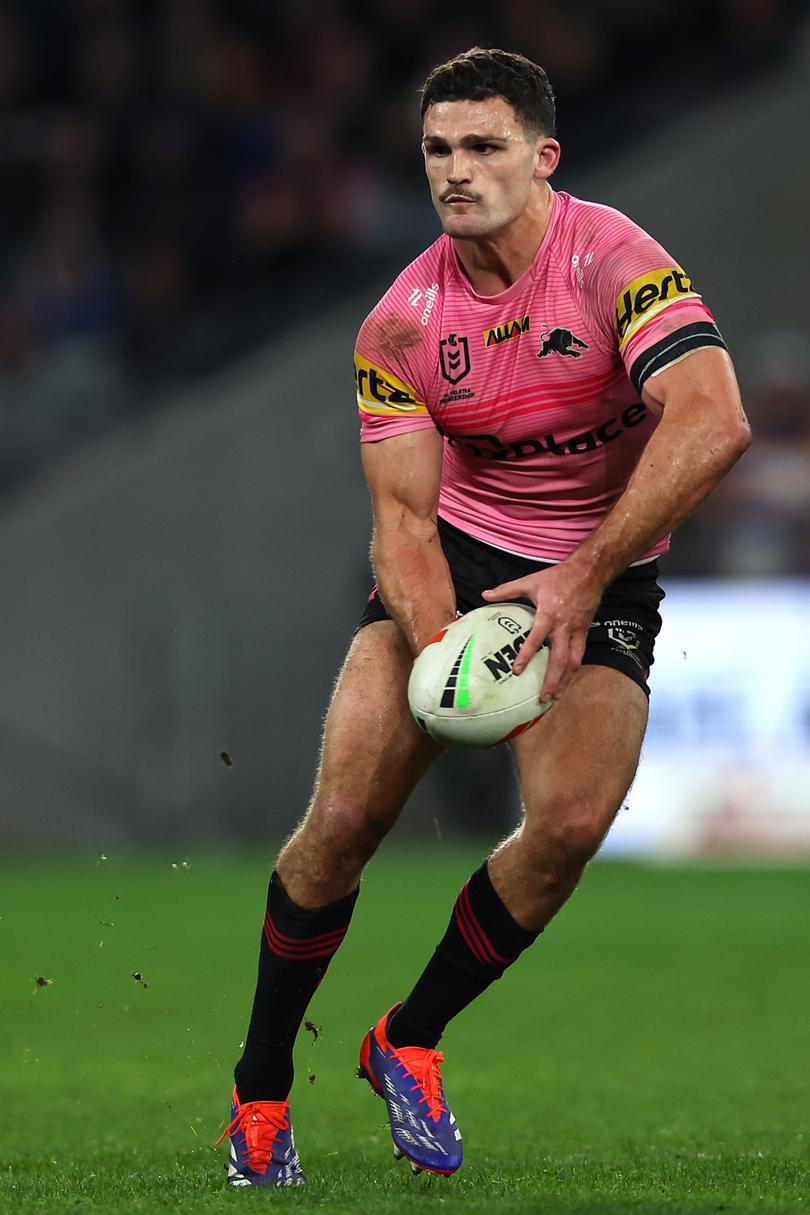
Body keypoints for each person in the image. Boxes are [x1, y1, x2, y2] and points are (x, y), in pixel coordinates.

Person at [216, 47, 751, 1186]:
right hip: (459, 562)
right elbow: (402, 528)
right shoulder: (401, 326)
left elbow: (711, 422)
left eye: (485, 147)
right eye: (438, 150)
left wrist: (581, 578)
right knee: (348, 811)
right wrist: (447, 649)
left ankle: (406, 1038)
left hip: (600, 572)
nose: (458, 172)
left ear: (543, 157)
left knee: (565, 827)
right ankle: (260, 1093)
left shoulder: (614, 261)